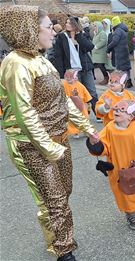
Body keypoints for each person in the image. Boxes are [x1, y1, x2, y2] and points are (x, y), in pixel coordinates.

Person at [0, 6, 98, 261]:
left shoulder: (41, 59)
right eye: (48, 26)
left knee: (64, 193)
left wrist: (88, 128)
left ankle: (55, 238)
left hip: (58, 139)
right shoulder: (15, 64)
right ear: (30, 30)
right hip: (31, 145)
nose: (54, 31)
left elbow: (62, 101)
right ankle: (64, 251)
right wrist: (49, 147)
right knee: (54, 200)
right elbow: (24, 113)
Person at [87, 100, 135, 230]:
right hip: (119, 166)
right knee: (124, 190)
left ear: (131, 116)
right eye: (116, 109)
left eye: (121, 110)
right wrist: (94, 142)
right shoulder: (110, 128)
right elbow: (102, 146)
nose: (116, 111)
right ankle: (131, 214)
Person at [52, 17, 98, 115]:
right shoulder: (62, 37)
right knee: (76, 93)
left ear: (75, 25)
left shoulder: (81, 35)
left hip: (85, 68)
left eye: (70, 23)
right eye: (66, 22)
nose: (67, 24)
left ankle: (98, 113)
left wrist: (78, 36)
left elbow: (90, 46)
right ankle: (79, 115)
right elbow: (58, 56)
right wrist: (60, 74)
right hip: (71, 70)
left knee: (92, 91)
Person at [62, 69, 92, 139]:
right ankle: (75, 132)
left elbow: (86, 95)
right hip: (70, 106)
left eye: (70, 77)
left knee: (84, 119)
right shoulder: (63, 85)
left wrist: (88, 104)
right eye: (66, 76)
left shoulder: (80, 86)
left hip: (81, 105)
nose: (68, 78)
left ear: (75, 78)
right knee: (72, 120)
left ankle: (86, 131)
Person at [106, 16, 133, 88]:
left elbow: (114, 42)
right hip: (124, 51)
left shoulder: (118, 30)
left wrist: (108, 49)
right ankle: (128, 82)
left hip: (120, 52)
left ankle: (123, 83)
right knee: (126, 68)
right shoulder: (123, 30)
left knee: (121, 69)